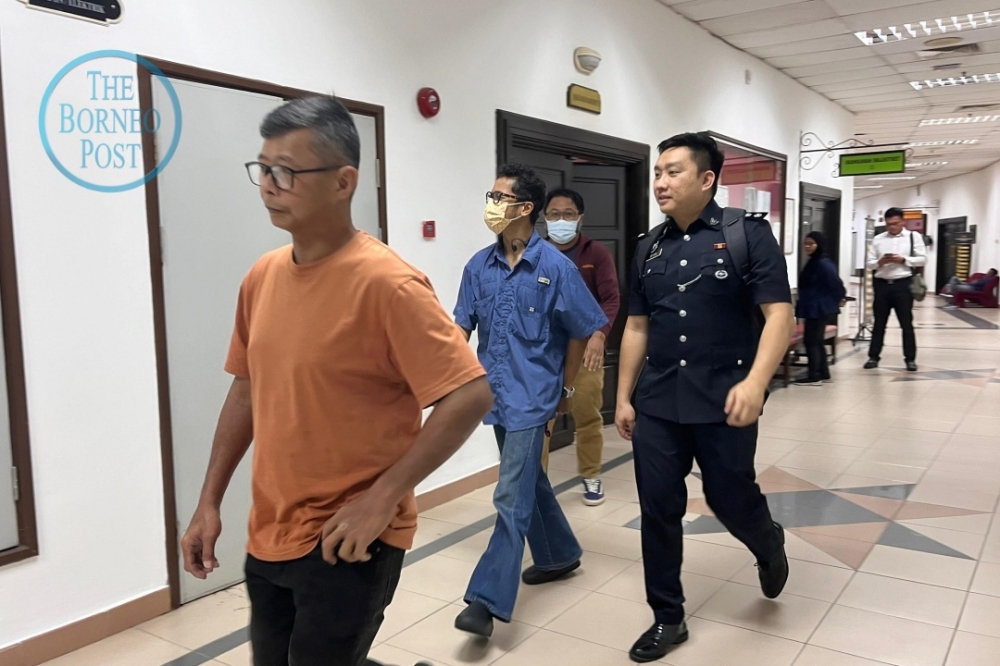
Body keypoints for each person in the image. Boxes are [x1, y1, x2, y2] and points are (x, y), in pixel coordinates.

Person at [179, 96, 493, 666]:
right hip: (268, 526)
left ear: (343, 181)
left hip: (351, 537)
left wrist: (383, 498)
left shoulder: (388, 285)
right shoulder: (262, 277)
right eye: (263, 169)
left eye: (287, 172)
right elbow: (247, 389)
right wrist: (208, 501)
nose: (269, 186)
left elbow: (469, 395)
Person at [615, 132, 793, 663]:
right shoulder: (649, 246)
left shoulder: (747, 236)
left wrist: (757, 383)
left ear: (707, 179)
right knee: (659, 509)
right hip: (659, 402)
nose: (661, 183)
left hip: (726, 398)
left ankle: (767, 542)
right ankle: (668, 616)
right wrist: (624, 397)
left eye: (673, 172)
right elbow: (638, 327)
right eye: (658, 173)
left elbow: (778, 316)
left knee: (729, 498)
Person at [453, 164, 608, 638]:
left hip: (533, 395)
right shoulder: (478, 265)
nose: (491, 204)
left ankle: (486, 599)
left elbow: (582, 329)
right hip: (493, 395)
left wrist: (563, 390)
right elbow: (460, 326)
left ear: (524, 209)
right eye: (490, 195)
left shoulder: (556, 268)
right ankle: (560, 554)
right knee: (530, 482)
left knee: (509, 495)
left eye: (498, 197)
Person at [540, 187, 621, 506]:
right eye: (554, 214)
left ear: (580, 218)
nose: (561, 220)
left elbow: (611, 299)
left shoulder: (596, 254)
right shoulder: (536, 254)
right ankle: (537, 484)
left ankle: (591, 474)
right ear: (544, 218)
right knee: (540, 421)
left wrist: (600, 335)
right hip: (546, 353)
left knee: (587, 414)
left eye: (568, 214)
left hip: (586, 349)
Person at [865, 207, 926, 372]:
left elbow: (922, 259)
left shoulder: (914, 237)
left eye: (895, 223)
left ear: (902, 222)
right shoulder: (878, 239)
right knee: (879, 323)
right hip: (882, 284)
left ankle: (910, 359)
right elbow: (869, 262)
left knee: (906, 324)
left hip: (903, 284)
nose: (892, 227)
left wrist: (904, 259)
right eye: (889, 224)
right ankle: (873, 357)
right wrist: (880, 262)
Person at [794, 231, 846, 386]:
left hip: (819, 308)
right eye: (805, 243)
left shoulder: (823, 263)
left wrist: (838, 299)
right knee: (816, 341)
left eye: (811, 243)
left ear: (819, 244)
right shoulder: (814, 261)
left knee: (812, 341)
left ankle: (814, 375)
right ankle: (823, 371)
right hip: (814, 307)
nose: (807, 247)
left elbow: (836, 284)